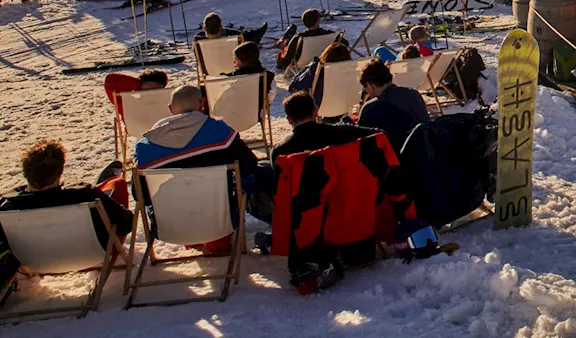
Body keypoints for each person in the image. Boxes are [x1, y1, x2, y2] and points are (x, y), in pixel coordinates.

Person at [134, 85, 265, 217]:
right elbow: (249, 166)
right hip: (221, 220)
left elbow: (141, 196)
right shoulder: (221, 133)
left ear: (170, 109)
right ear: (202, 104)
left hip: (168, 226)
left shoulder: (144, 147)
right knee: (258, 173)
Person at [1, 140, 132, 251]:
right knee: (117, 184)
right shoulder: (84, 195)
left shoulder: (7, 205)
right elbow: (126, 223)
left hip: (30, 259)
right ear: (60, 171)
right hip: (92, 252)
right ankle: (107, 181)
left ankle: (104, 183)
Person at [272, 93, 380, 163]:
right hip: (341, 190)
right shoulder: (343, 133)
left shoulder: (280, 151)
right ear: (316, 111)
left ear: (289, 119)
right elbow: (380, 134)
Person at [355, 59, 430, 149]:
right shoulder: (414, 94)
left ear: (371, 85)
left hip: (394, 159)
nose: (366, 92)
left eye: (365, 88)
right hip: (424, 151)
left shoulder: (370, 108)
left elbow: (360, 144)